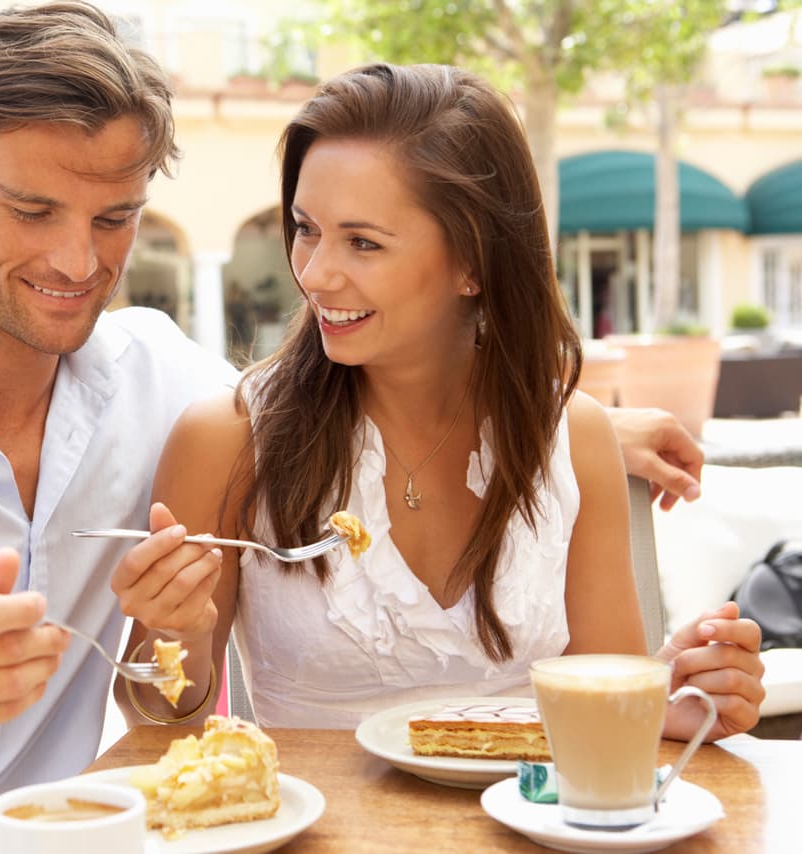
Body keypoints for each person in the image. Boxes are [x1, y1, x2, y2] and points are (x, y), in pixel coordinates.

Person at [0, 5, 712, 850]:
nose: (76, 261)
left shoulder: (157, 378)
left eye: (115, 215)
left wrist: (590, 420)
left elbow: (349, 387)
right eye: (30, 208)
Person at [112, 63, 764, 743]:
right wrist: (173, 630)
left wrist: (672, 702)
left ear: (473, 262)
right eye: (307, 228)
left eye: (363, 242)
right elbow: (158, 726)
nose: (315, 272)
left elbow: (607, 713)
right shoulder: (228, 438)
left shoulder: (575, 440)